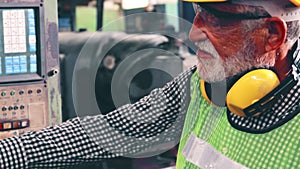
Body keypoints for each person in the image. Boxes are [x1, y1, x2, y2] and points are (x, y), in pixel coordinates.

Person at [0, 0, 299, 169]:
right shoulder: (202, 86)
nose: (193, 34)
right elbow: (107, 133)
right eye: (197, 14)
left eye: (216, 20)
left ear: (271, 33)